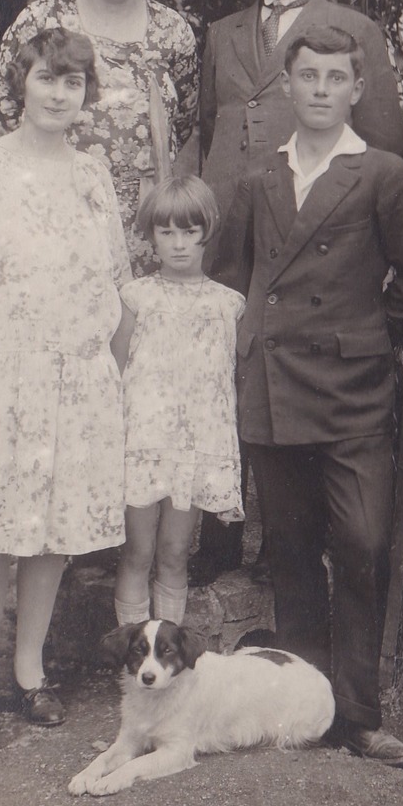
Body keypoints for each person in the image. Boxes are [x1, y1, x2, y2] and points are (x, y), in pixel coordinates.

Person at [213, 27, 403, 767]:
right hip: (274, 392)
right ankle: (309, 711)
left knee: (362, 544)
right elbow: (230, 281)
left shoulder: (381, 172)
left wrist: (364, 336)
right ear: (288, 85)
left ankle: (362, 717)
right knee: (288, 550)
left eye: (335, 78)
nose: (319, 89)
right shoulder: (257, 179)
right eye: (307, 75)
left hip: (351, 395)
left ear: (356, 89)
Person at [178, 0, 403, 585]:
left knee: (286, 379)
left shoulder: (352, 29)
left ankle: (281, 548)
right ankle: (221, 538)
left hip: (305, 242)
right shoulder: (220, 32)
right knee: (227, 378)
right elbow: (210, 127)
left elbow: (385, 145)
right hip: (226, 240)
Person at [0, 28, 132, 743]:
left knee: (52, 532)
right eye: (47, 78)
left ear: (85, 96)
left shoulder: (92, 174)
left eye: (72, 82)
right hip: (1, 374)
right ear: (22, 83)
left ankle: (30, 672)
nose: (58, 93)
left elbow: (114, 273)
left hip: (74, 378)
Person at [0, 0, 199, 276]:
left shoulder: (172, 32)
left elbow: (185, 122)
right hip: (54, 209)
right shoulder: (44, 20)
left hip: (143, 219)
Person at [110, 176, 245, 628]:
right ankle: (135, 652)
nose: (179, 244)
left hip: (191, 451)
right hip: (143, 446)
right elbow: (117, 369)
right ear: (151, 236)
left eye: (189, 232)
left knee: (172, 553)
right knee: (138, 551)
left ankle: (166, 657)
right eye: (166, 232)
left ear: (207, 232)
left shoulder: (228, 305)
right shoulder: (136, 297)